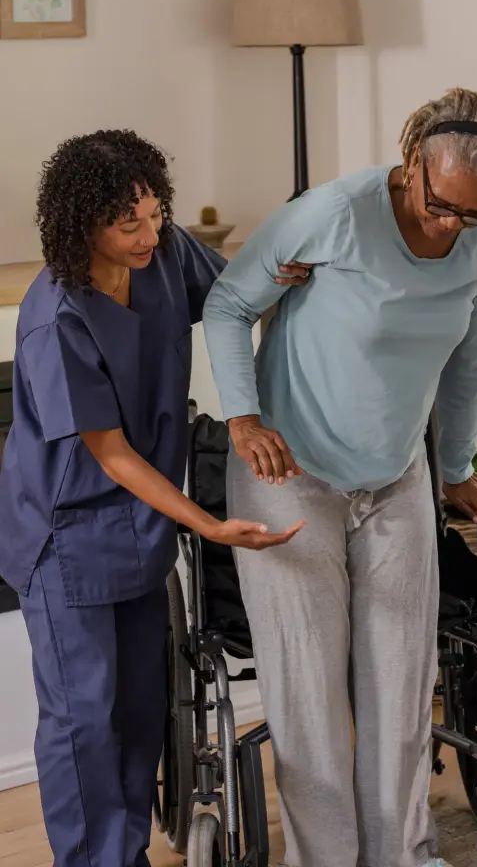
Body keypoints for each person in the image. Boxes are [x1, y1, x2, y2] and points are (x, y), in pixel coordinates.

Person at [202, 87, 477, 867]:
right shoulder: (334, 214)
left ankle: (403, 856)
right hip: (291, 473)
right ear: (412, 162)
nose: (451, 224)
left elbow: (467, 360)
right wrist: (243, 419)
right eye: (441, 204)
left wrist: (453, 471)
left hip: (394, 480)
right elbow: (227, 305)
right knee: (310, 702)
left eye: (474, 213)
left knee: (401, 694)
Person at [0, 130, 305, 867]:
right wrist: (209, 525)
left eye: (153, 212)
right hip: (64, 538)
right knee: (83, 724)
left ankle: (123, 854)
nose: (148, 233)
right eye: (125, 222)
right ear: (82, 226)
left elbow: (233, 292)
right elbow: (107, 452)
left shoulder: (166, 256)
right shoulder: (56, 318)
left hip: (141, 530)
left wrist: (296, 272)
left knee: (140, 715)